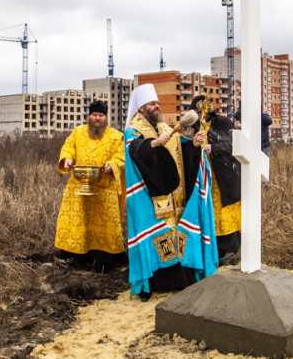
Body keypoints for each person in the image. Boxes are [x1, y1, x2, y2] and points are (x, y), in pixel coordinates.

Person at [123, 84, 217, 301]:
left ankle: (180, 279)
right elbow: (134, 149)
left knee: (177, 235)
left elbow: (182, 151)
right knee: (158, 236)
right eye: (152, 104)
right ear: (141, 108)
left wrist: (193, 144)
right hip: (151, 199)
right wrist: (151, 145)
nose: (157, 107)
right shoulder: (134, 130)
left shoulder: (167, 128)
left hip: (176, 197)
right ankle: (157, 283)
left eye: (157, 103)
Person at [55, 100, 126, 273]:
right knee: (80, 221)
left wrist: (112, 164)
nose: (97, 118)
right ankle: (78, 256)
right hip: (78, 188)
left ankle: (105, 259)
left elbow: (121, 156)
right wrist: (68, 159)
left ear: (106, 118)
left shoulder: (116, 136)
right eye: (94, 115)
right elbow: (68, 147)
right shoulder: (78, 132)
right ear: (89, 116)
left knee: (106, 224)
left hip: (104, 188)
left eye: (101, 115)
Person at [190, 95, 241, 263]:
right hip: (207, 175)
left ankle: (231, 248)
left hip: (224, 175)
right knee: (212, 211)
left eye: (199, 111)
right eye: (196, 112)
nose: (198, 115)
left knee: (225, 213)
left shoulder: (223, 123)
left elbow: (236, 144)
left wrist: (215, 148)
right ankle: (217, 247)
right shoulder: (197, 126)